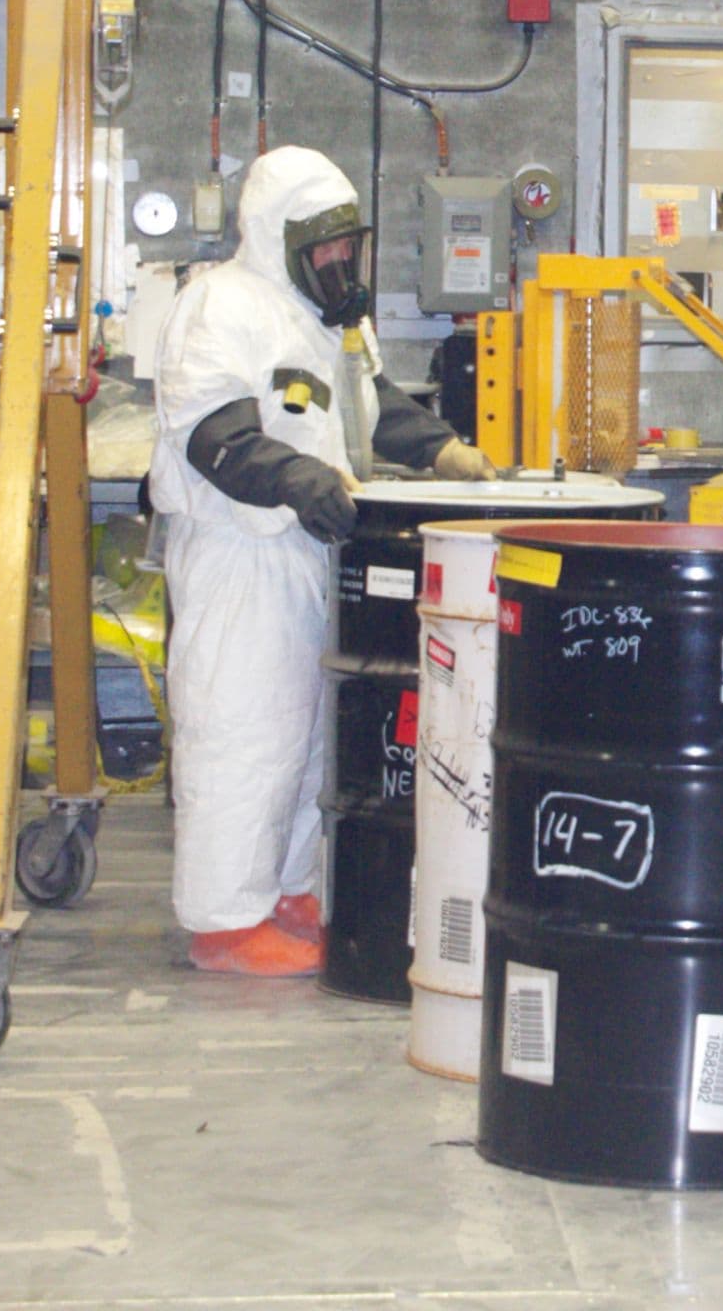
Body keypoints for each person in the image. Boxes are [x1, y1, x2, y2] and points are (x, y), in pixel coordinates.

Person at [147, 145, 496, 977]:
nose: (340, 264)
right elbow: (213, 436)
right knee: (243, 735)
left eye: (350, 247)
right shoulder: (219, 306)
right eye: (325, 248)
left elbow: (371, 410)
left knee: (308, 740)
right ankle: (226, 922)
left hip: (307, 560)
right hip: (240, 558)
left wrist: (444, 450)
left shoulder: (324, 321)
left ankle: (290, 895)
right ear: (280, 238)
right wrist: (301, 478)